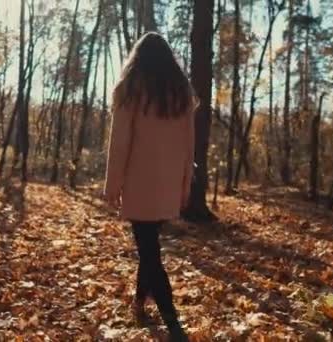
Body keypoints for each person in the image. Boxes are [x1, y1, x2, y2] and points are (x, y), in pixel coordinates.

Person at [103, 32, 196, 342]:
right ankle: (140, 303)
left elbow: (120, 144)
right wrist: (185, 185)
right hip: (168, 183)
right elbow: (189, 146)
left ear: (137, 58)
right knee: (149, 245)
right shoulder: (180, 92)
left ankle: (172, 320)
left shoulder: (130, 89)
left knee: (149, 249)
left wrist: (112, 184)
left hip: (140, 182)